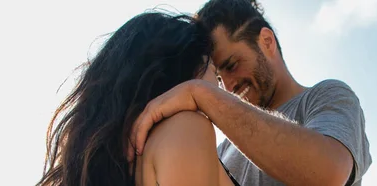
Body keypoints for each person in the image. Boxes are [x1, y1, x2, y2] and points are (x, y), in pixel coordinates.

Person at [129, 0, 372, 185]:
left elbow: (328, 173)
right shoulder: (222, 149)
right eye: (218, 75)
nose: (227, 85)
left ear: (267, 42)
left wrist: (200, 93)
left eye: (232, 65)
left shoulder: (326, 96)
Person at [38, 12, 240, 186]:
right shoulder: (187, 127)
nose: (222, 87)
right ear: (191, 69)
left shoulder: (125, 158)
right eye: (214, 71)